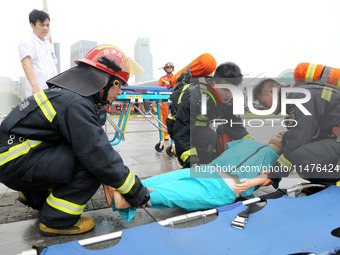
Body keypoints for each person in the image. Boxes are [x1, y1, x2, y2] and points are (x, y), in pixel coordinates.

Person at [0, 45, 150, 235]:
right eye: (119, 84)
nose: (120, 92)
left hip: (15, 158)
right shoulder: (75, 103)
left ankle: (35, 194)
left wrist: (112, 181)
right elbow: (98, 155)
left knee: (91, 156)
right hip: (16, 163)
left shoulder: (69, 97)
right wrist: (136, 192)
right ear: (106, 81)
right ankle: (57, 220)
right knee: (91, 164)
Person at [110, 132, 284, 222]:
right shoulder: (276, 162)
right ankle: (126, 200)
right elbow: (266, 179)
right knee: (173, 193)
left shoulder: (248, 142)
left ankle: (119, 186)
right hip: (223, 186)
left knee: (166, 180)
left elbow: (226, 149)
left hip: (210, 169)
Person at [253, 77, 340, 186]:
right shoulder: (297, 95)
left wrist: (274, 173)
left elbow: (299, 138)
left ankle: (333, 190)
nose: (264, 108)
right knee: (287, 140)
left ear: (272, 92)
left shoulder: (299, 96)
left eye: (263, 102)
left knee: (303, 158)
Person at [166, 62, 252, 168]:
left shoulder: (228, 102)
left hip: (203, 129)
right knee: (208, 136)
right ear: (214, 84)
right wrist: (192, 162)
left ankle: (210, 159)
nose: (229, 95)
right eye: (225, 89)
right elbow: (183, 134)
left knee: (224, 135)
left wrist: (255, 149)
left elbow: (238, 129)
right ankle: (197, 163)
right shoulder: (194, 97)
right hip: (179, 126)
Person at [18, 9, 59, 98]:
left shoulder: (49, 45)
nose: (45, 28)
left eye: (47, 25)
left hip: (53, 90)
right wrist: (35, 86)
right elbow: (25, 64)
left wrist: (59, 84)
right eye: (42, 25)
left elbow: (54, 65)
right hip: (39, 91)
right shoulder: (28, 41)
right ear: (32, 25)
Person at [158, 62, 174, 140]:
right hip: (165, 101)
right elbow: (158, 91)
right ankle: (166, 134)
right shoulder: (162, 79)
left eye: (170, 68)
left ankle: (174, 133)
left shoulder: (176, 77)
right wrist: (160, 102)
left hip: (174, 100)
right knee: (165, 117)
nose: (169, 69)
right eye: (168, 68)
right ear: (165, 69)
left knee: (176, 117)